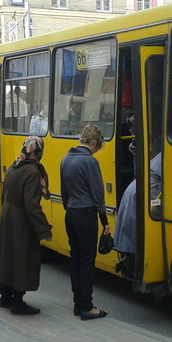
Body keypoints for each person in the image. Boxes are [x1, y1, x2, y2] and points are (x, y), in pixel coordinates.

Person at [0, 136, 53, 315]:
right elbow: (32, 205)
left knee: (7, 257)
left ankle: (5, 297)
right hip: (21, 221)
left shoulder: (14, 166)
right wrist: (44, 230)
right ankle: (18, 302)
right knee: (22, 258)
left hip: (8, 215)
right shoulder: (32, 172)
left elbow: (4, 195)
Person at [60, 125, 110, 321]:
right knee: (88, 261)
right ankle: (87, 307)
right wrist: (104, 220)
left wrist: (70, 207)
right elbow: (98, 195)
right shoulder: (90, 162)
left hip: (70, 213)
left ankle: (77, 303)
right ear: (95, 142)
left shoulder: (66, 159)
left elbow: (64, 192)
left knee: (76, 259)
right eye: (99, 146)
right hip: (86, 215)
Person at [113, 152, 162, 278]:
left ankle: (128, 262)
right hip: (142, 193)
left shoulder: (162, 154)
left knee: (132, 233)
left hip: (135, 191)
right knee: (136, 234)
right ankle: (131, 266)